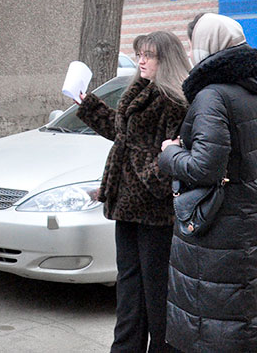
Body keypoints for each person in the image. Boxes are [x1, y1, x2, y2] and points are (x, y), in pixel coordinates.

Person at [159, 13, 257, 352]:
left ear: (206, 45)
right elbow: (250, 157)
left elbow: (205, 167)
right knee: (241, 310)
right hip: (246, 211)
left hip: (219, 223)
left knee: (213, 318)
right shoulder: (249, 90)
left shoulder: (212, 95)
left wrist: (169, 154)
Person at [75, 31, 190, 352]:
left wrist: (143, 165)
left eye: (149, 55)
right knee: (128, 288)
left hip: (156, 211)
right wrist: (88, 106)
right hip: (126, 206)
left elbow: (172, 158)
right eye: (139, 53)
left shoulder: (177, 101)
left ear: (165, 60)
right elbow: (123, 133)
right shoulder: (140, 90)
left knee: (157, 292)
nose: (141, 60)